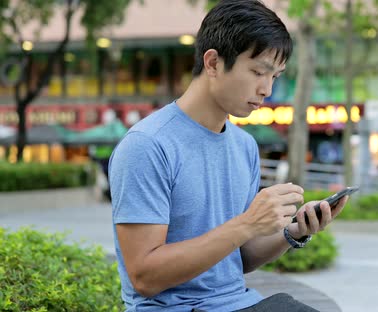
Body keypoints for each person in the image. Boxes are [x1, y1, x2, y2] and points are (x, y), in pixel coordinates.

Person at [108, 1, 348, 311]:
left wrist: (294, 231)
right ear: (213, 63)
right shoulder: (147, 146)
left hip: (238, 303)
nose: (267, 90)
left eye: (275, 76)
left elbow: (240, 257)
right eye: (258, 71)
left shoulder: (244, 146)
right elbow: (144, 276)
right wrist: (247, 223)